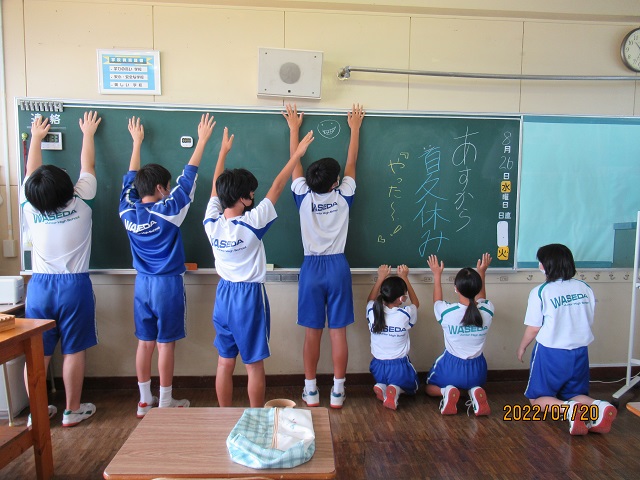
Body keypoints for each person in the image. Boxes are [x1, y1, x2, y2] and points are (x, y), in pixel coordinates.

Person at [204, 126, 314, 408]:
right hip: (248, 298)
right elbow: (277, 186)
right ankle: (255, 416)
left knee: (224, 362)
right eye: (251, 193)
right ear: (243, 198)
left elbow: (215, 190)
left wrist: (222, 153)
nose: (254, 197)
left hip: (223, 295)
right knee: (253, 365)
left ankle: (224, 416)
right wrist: (297, 155)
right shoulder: (252, 224)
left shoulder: (211, 222)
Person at [120, 114, 216, 417]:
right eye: (167, 186)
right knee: (165, 344)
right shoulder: (168, 210)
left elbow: (129, 181)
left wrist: (136, 143)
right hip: (167, 285)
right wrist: (202, 141)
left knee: (144, 343)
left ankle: (143, 401)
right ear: (162, 188)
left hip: (142, 285)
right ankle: (165, 401)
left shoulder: (126, 210)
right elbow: (189, 178)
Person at [21, 111, 102, 427]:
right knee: (73, 349)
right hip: (74, 286)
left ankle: (37, 412)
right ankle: (72, 410)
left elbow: (31, 174)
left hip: (39, 286)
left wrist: (36, 139)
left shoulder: (30, 206)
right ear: (68, 187)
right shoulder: (82, 201)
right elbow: (88, 166)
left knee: (38, 354)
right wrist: (88, 134)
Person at [283, 103, 365, 409]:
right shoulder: (344, 195)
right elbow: (352, 161)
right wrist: (354, 129)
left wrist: (294, 129)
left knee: (312, 333)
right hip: (338, 265)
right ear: (335, 183)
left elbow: (295, 163)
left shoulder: (302, 196)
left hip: (311, 268)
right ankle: (338, 392)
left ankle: (311, 391)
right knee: (338, 333)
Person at [517, 243, 617, 435]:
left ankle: (569, 410)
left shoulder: (541, 292)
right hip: (580, 351)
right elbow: (587, 317)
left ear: (546, 265)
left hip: (551, 353)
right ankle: (600, 406)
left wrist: (522, 347)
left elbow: (534, 327)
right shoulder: (585, 288)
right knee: (574, 393)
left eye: (540, 261)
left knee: (537, 399)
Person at [425, 253, 493, 416]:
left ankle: (447, 391)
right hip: (478, 371)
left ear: (456, 288)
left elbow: (437, 302)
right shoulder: (488, 310)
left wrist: (436, 274)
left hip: (451, 368)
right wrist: (482, 272)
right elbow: (482, 299)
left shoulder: (447, 313)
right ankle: (473, 391)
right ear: (478, 287)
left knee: (428, 388)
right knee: (469, 385)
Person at [366, 264, 420, 410]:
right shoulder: (405, 314)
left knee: (385, 381)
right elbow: (416, 304)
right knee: (413, 387)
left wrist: (380, 277)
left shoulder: (373, 311)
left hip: (377, 367)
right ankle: (396, 389)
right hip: (399, 368)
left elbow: (370, 300)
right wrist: (405, 278)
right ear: (402, 298)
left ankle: (382, 385)